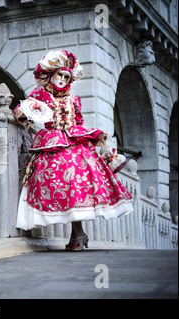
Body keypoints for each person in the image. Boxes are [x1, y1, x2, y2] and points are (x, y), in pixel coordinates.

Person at [14, 50, 134, 251]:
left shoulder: (73, 99)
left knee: (80, 186)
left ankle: (77, 235)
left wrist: (93, 139)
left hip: (75, 144)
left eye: (66, 76)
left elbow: (78, 121)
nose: (62, 79)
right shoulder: (40, 94)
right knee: (61, 185)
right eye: (59, 75)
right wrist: (24, 114)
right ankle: (77, 235)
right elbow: (25, 113)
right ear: (51, 75)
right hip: (52, 145)